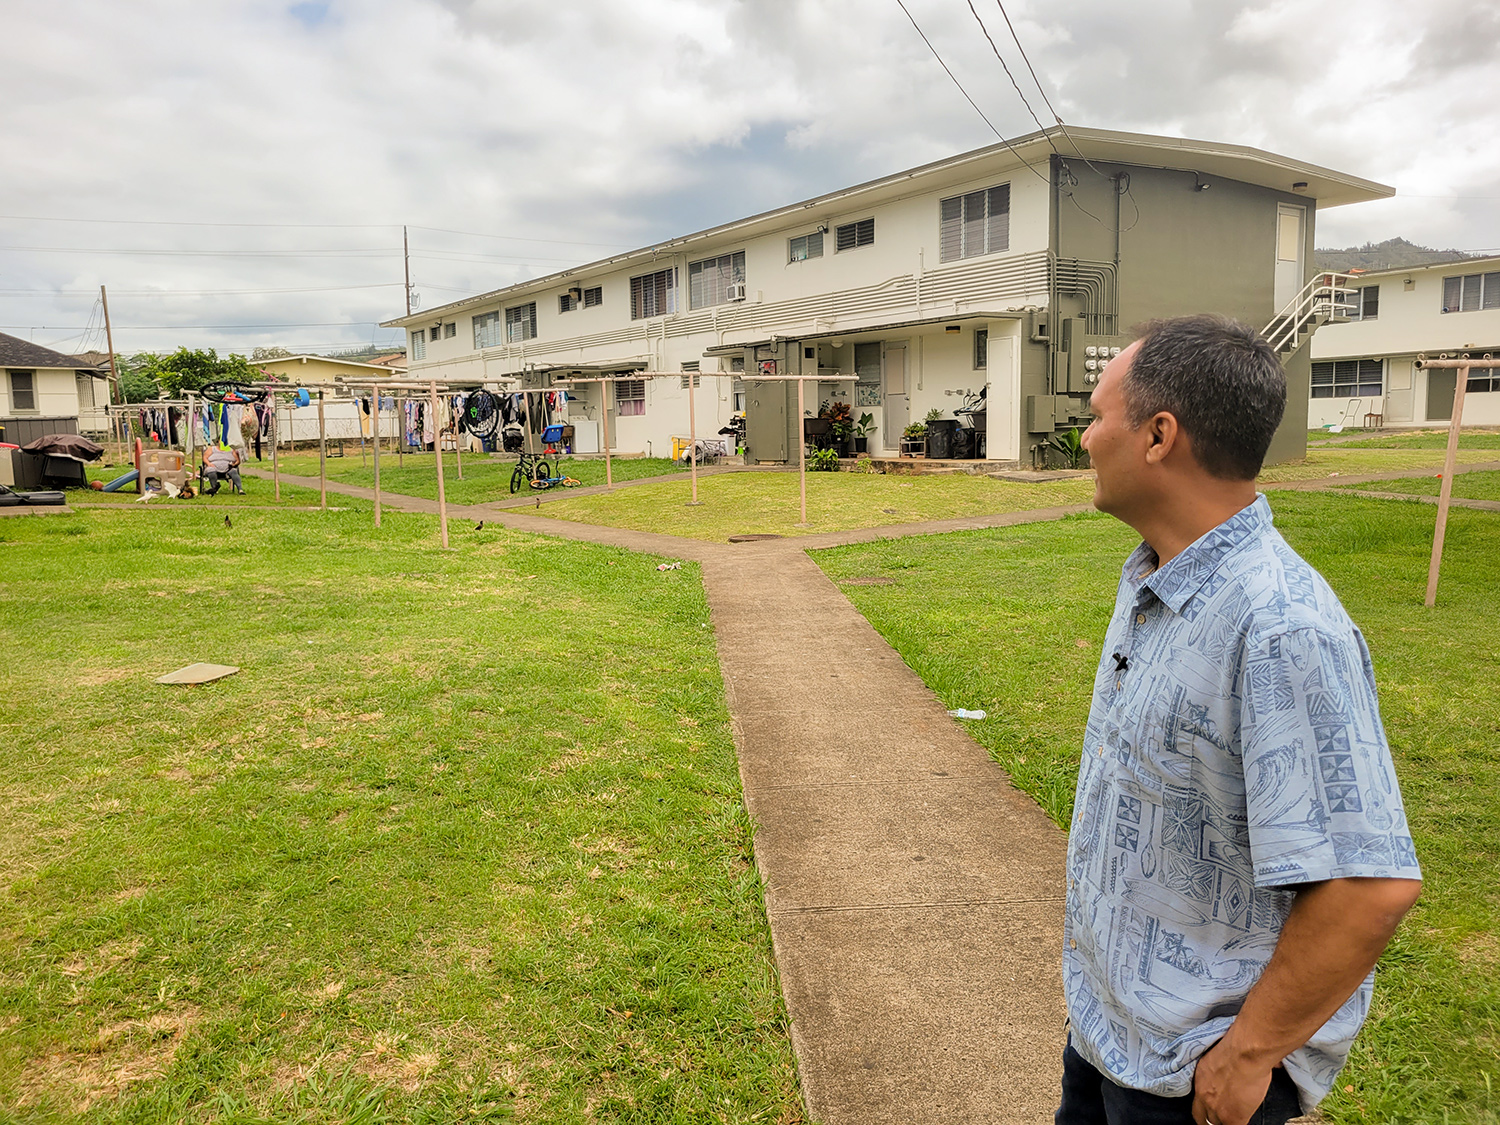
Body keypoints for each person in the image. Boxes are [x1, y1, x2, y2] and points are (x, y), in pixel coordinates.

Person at [1058, 315, 1422, 1125]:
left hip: (1195, 1076)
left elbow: (1370, 884)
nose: (1085, 438)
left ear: (1159, 435)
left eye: (1096, 414)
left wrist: (1249, 1053)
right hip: (1110, 1031)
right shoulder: (1157, 576)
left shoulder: (1283, 625)